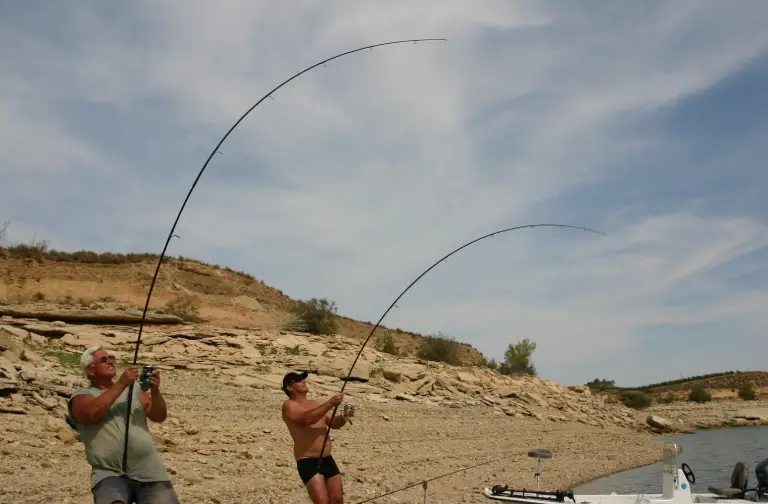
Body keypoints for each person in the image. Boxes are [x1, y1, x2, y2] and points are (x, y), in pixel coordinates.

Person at [67, 345, 179, 504]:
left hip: (149, 471)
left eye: (112, 358)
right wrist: (121, 384)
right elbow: (91, 413)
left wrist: (155, 391)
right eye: (104, 360)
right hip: (109, 473)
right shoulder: (81, 397)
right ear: (90, 370)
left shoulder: (134, 391)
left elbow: (159, 416)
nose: (111, 361)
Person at [281, 370, 356, 504]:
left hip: (327, 458)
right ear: (289, 387)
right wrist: (330, 403)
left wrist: (344, 417)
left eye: (303, 379)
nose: (303, 381)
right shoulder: (289, 405)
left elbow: (333, 423)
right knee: (321, 501)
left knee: (337, 499)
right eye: (298, 380)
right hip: (308, 460)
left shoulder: (315, 404)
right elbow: (305, 420)